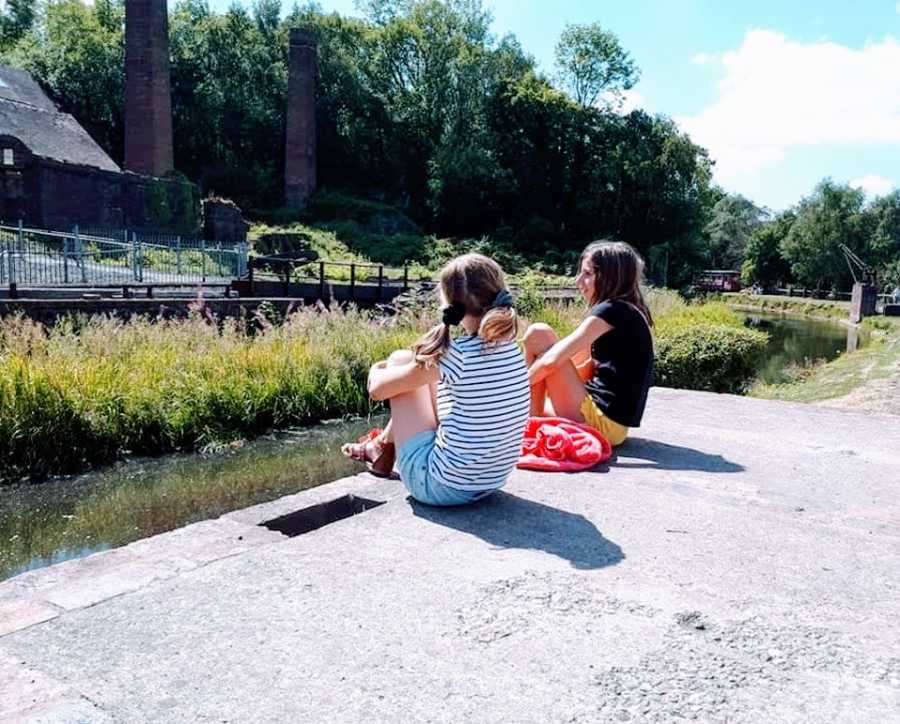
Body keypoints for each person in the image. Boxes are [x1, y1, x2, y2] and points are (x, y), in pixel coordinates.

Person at [342, 253, 530, 506]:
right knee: (418, 372)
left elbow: (377, 390)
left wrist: (378, 367)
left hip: (440, 487)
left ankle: (381, 449)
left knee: (400, 360)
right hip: (490, 481)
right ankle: (382, 448)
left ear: (448, 302)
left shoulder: (457, 355)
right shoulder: (511, 347)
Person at [522, 241, 654, 447]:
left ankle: (528, 423)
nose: (578, 281)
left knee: (539, 334)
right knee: (536, 401)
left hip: (602, 422)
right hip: (613, 426)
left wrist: (515, 389)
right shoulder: (628, 312)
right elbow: (583, 364)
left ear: (609, 277)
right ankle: (531, 418)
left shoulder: (611, 310)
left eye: (587, 274)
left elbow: (551, 362)